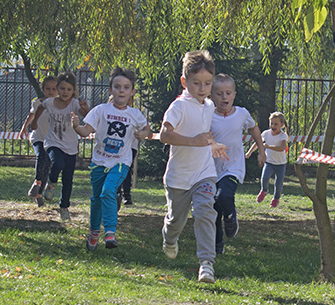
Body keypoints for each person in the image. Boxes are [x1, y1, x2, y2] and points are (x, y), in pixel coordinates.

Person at [159, 50, 228, 284]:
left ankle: (206, 264)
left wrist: (212, 145)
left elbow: (203, 133)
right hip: (179, 178)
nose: (202, 88)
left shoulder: (209, 106)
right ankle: (169, 238)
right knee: (175, 221)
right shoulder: (178, 107)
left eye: (207, 83)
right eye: (196, 83)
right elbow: (164, 135)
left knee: (205, 211)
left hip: (204, 174)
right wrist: (194, 142)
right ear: (184, 82)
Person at [72, 67, 150, 250]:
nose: (121, 90)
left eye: (126, 87)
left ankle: (110, 233)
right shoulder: (100, 111)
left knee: (108, 191)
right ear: (110, 90)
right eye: (117, 87)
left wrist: (142, 134)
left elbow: (148, 130)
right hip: (99, 162)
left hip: (121, 162)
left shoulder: (135, 114)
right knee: (97, 199)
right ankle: (93, 232)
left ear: (132, 92)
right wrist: (76, 126)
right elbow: (85, 131)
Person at [210, 73, 266, 255]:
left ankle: (231, 215)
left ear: (234, 94)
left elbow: (254, 128)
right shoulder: (208, 114)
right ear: (211, 95)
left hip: (233, 167)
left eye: (228, 93)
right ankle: (218, 246)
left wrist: (261, 150)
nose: (224, 97)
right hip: (210, 169)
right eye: (219, 93)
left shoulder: (242, 113)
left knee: (223, 197)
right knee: (213, 210)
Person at [31, 72, 90, 221]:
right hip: (53, 142)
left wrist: (85, 108)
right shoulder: (50, 103)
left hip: (70, 146)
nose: (65, 92)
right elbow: (39, 108)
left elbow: (88, 117)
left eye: (69, 89)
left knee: (68, 179)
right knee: (57, 163)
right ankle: (51, 183)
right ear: (58, 89)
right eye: (62, 88)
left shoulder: (74, 104)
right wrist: (35, 122)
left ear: (73, 91)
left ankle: (64, 207)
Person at [19, 75, 57, 207]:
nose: (51, 91)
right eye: (48, 88)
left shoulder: (60, 106)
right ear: (43, 90)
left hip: (51, 141)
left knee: (47, 166)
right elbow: (32, 114)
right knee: (41, 155)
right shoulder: (37, 103)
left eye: (54, 88)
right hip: (38, 137)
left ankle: (39, 195)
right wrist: (24, 127)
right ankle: (37, 182)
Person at [247, 111, 288, 207]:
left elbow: (282, 148)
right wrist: (249, 152)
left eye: (276, 124)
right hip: (269, 162)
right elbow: (258, 143)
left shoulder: (283, 136)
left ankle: (276, 199)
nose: (273, 126)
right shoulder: (266, 134)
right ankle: (264, 190)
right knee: (264, 178)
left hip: (281, 164)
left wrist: (268, 146)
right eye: (271, 123)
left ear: (281, 125)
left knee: (278, 184)